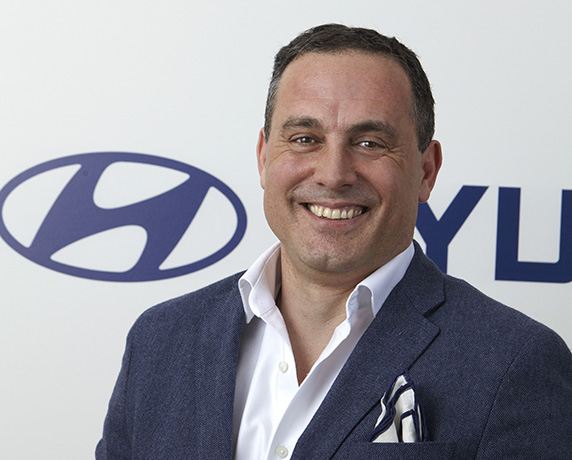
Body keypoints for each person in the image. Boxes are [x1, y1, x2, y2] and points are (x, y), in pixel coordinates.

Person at [96, 24, 572, 459]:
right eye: (305, 138)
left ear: (426, 171)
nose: (333, 174)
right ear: (264, 157)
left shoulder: (516, 363)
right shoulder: (161, 339)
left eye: (369, 143)